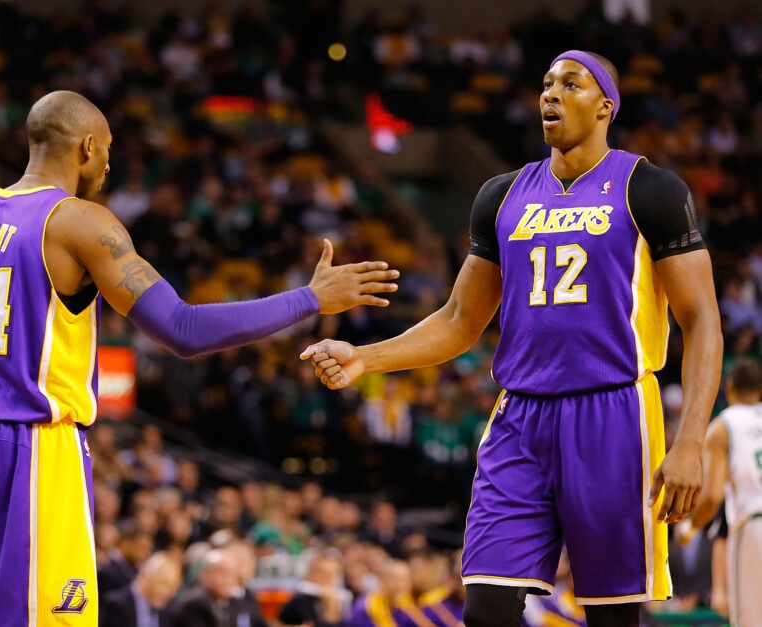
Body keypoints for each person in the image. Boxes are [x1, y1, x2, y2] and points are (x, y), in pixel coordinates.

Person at [0, 90, 399, 627]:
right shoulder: (79, 221)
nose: (108, 161)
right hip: (32, 447)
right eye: (106, 148)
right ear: (84, 146)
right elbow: (183, 328)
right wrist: (309, 298)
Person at [301, 50, 723, 627]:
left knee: (612, 615)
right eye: (546, 83)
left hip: (614, 412)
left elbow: (702, 321)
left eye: (570, 84)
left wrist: (691, 441)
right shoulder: (502, 195)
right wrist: (365, 358)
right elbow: (458, 320)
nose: (551, 94)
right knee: (487, 606)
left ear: (605, 107)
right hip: (519, 417)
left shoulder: (648, 188)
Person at [676, 357, 762, 626]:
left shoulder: (723, 427)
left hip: (753, 526)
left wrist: (690, 527)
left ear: (729, 386)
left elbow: (713, 496)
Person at [99, 551, 182, 627]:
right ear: (147, 577)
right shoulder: (115, 606)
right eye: (166, 585)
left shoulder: (167, 611)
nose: (171, 593)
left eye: (174, 587)